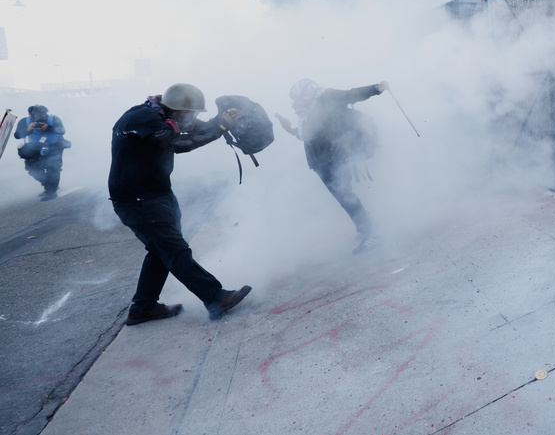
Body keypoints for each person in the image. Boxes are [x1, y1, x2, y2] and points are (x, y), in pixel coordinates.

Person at [108, 83, 252, 326]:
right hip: (139, 201)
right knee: (175, 250)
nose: (191, 118)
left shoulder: (163, 115)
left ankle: (143, 307)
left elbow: (192, 130)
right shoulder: (142, 119)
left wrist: (221, 120)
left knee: (161, 250)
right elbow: (178, 144)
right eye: (189, 113)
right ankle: (215, 298)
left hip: (156, 194)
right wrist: (221, 126)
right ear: (177, 109)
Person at [276, 78, 389, 254]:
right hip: (322, 162)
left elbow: (351, 94)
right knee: (345, 197)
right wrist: (290, 130)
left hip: (336, 157)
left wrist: (376, 88)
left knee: (346, 197)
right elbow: (307, 135)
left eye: (298, 99)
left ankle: (371, 232)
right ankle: (367, 226)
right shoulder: (306, 113)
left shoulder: (327, 98)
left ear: (307, 93)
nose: (296, 104)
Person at [13, 105, 69, 200]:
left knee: (53, 168)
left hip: (54, 145)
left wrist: (48, 127)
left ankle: (51, 192)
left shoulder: (54, 119)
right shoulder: (24, 121)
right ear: (30, 114)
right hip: (34, 147)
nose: (39, 118)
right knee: (32, 169)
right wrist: (28, 129)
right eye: (36, 116)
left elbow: (62, 131)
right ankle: (48, 184)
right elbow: (17, 135)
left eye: (42, 115)